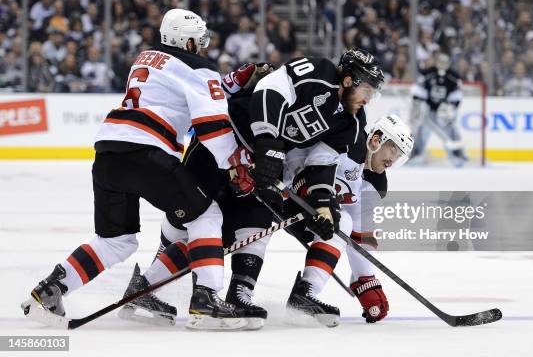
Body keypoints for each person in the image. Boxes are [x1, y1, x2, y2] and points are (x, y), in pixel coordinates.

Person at [21, 8, 254, 331]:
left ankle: (50, 290)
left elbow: (178, 92)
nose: (200, 47)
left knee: (116, 240)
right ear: (186, 41)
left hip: (108, 151)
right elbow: (212, 126)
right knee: (207, 215)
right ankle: (206, 300)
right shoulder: (200, 67)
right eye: (196, 40)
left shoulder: (145, 58)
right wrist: (237, 163)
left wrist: (228, 83)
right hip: (147, 152)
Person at [118, 48, 386, 329]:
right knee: (202, 221)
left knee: (255, 223)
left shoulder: (351, 123)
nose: (369, 99)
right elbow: (271, 90)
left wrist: (321, 202)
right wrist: (268, 141)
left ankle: (234, 294)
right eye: (367, 89)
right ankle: (149, 289)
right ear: (349, 80)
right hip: (225, 142)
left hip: (261, 164)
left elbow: (321, 160)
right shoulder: (319, 72)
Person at [285, 114, 413, 326]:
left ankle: (304, 295)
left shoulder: (376, 182)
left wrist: (365, 280)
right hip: (287, 193)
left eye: (399, 155)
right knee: (340, 221)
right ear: (377, 139)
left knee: (343, 222)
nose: (393, 159)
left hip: (313, 214)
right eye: (393, 149)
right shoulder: (349, 142)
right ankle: (304, 294)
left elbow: (361, 230)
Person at [409, 53, 467, 167]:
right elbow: (418, 91)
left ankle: (458, 156)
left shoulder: (453, 77)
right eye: (440, 62)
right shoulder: (428, 74)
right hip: (429, 110)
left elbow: (458, 95)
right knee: (421, 130)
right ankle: (415, 155)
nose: (442, 65)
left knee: (452, 131)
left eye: (445, 63)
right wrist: (418, 105)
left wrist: (451, 107)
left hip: (444, 111)